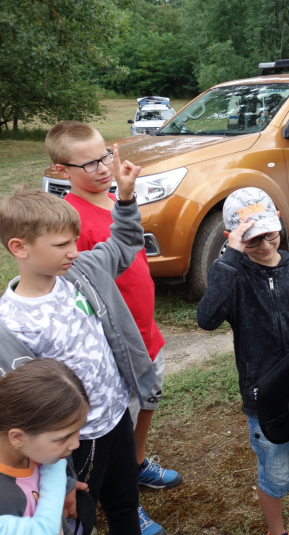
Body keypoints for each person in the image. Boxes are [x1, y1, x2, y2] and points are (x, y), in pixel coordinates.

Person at [0, 150, 158, 535]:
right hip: (75, 442)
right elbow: (30, 412)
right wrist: (64, 481)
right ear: (19, 248)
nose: (74, 250)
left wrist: (124, 198)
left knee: (124, 503)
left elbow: (121, 244)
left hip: (117, 415)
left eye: (74, 241)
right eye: (60, 245)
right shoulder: (11, 324)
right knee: (81, 515)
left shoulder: (82, 270)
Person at [47, 122, 182, 502]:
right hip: (114, 342)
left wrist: (125, 195)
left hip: (145, 330)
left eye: (105, 154)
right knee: (119, 419)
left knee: (148, 399)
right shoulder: (68, 221)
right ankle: (119, 488)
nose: (103, 166)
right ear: (61, 170)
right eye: (89, 163)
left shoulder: (116, 200)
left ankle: (137, 463)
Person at [196, 188, 289, 535]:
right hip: (263, 395)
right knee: (274, 475)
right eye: (252, 239)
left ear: (279, 224)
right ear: (234, 239)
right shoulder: (233, 278)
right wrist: (229, 258)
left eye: (269, 234)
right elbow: (207, 318)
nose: (263, 245)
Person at [0, 359, 90, 535]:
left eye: (77, 431)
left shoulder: (33, 450)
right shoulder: (5, 500)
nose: (76, 444)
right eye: (63, 438)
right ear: (18, 438)